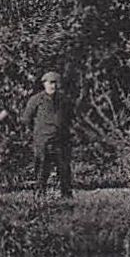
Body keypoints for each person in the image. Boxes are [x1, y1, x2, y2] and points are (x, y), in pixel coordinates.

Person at [21, 70, 74, 199]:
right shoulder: (36, 100)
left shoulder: (64, 100)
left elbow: (70, 117)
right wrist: (36, 134)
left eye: (55, 83)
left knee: (64, 168)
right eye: (50, 83)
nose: (52, 86)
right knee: (42, 168)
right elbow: (26, 119)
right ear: (44, 84)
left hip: (60, 139)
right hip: (43, 140)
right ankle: (39, 194)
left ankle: (66, 195)